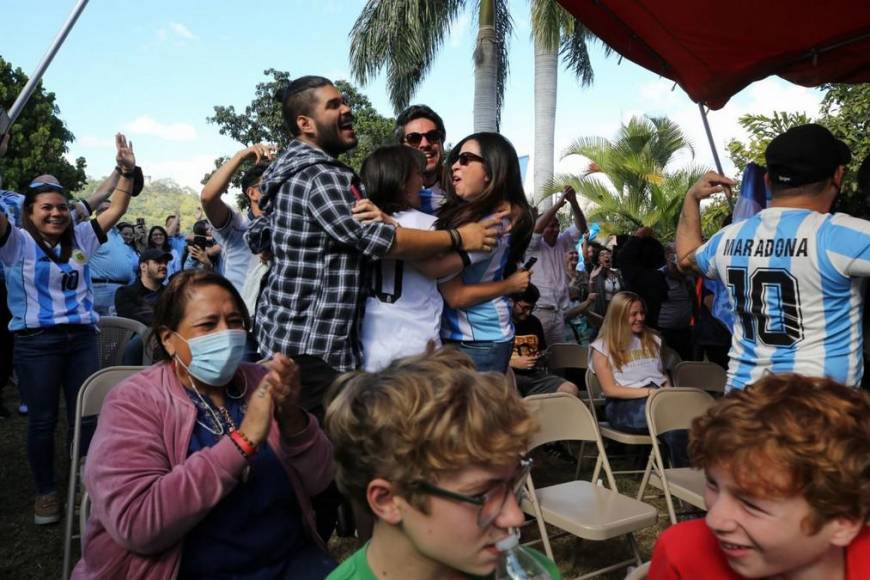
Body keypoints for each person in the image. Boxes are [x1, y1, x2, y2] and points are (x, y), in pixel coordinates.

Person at [246, 75, 501, 415]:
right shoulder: (323, 176)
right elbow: (378, 242)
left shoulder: (287, 172)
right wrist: (460, 237)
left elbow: (258, 235)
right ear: (304, 123)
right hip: (312, 351)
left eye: (433, 137)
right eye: (334, 105)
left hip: (298, 342)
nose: (347, 109)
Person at [72, 270, 336, 579]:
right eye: (208, 325)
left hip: (288, 561)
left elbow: (320, 480)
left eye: (235, 321)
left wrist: (293, 420)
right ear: (170, 340)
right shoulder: (134, 402)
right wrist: (243, 442)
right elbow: (138, 524)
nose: (227, 333)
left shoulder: (260, 382)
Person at [324, 347, 561, 579]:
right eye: (483, 495)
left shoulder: (527, 572)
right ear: (387, 500)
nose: (515, 517)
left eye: (514, 483)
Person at [0, 134, 137, 524]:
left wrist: (126, 171)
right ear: (29, 212)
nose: (56, 213)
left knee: (88, 414)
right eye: (46, 208)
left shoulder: (82, 238)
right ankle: (45, 492)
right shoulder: (16, 244)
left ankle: (85, 476)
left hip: (81, 340)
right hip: (36, 343)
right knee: (43, 419)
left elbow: (118, 206)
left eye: (62, 206)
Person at [676, 123, 870, 390]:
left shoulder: (728, 239)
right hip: (819, 415)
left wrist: (692, 198)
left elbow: (686, 257)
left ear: (768, 180)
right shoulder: (841, 236)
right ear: (837, 176)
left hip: (744, 409)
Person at [649, 373, 869, 579]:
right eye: (713, 484)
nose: (714, 519)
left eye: (751, 504)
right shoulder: (682, 554)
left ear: (843, 523)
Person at [358, 145, 466, 372]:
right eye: (418, 174)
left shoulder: (361, 225)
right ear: (402, 182)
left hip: (369, 346)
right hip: (417, 347)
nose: (422, 182)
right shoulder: (429, 226)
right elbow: (440, 270)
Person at [437, 132, 534, 373]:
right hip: (474, 338)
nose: (454, 166)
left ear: (491, 171)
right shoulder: (492, 217)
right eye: (455, 159)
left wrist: (394, 238)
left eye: (466, 159)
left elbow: (455, 295)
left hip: (478, 340)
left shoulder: (490, 226)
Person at [590, 291, 688, 466]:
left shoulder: (653, 339)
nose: (640, 318)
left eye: (642, 313)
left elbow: (662, 374)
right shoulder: (602, 346)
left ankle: (685, 475)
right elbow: (609, 389)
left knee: (689, 417)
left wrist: (669, 394)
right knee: (672, 420)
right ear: (619, 316)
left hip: (657, 398)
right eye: (633, 314)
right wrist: (650, 393)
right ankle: (684, 475)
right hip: (623, 405)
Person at [200, 143, 274, 314]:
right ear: (252, 193)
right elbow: (207, 198)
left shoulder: (286, 227)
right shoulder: (237, 227)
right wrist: (241, 156)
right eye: (270, 184)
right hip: (239, 319)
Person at [526, 185, 588, 348]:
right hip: (539, 311)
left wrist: (573, 203)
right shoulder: (532, 245)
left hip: (559, 312)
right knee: (538, 356)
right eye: (550, 225)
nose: (554, 229)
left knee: (557, 358)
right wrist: (558, 205)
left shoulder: (563, 240)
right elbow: (536, 228)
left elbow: (582, 227)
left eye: (556, 225)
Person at [510, 283, 579, 396]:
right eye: (524, 307)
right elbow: (488, 361)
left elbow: (541, 350)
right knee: (514, 396)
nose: (528, 312)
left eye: (532, 308)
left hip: (533, 376)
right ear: (512, 302)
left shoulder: (534, 322)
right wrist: (514, 363)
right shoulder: (501, 325)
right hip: (509, 376)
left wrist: (542, 357)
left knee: (570, 389)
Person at [395, 104, 447, 215]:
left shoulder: (463, 191)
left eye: (432, 136)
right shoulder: (391, 197)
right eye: (414, 138)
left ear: (442, 142)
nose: (425, 144)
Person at [657, 243, 695, 361]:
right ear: (668, 256)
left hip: (686, 331)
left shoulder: (689, 274)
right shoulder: (659, 276)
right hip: (665, 332)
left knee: (687, 366)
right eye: (678, 252)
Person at [114, 248, 170, 325]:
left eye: (165, 263)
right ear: (143, 266)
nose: (164, 266)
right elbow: (134, 320)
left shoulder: (170, 293)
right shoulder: (126, 293)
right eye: (158, 262)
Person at [589, 246, 625, 319]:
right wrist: (591, 280)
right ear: (598, 261)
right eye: (602, 255)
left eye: (608, 254)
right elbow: (591, 295)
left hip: (619, 311)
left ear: (611, 258)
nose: (606, 256)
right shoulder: (596, 275)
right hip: (604, 313)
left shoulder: (618, 274)